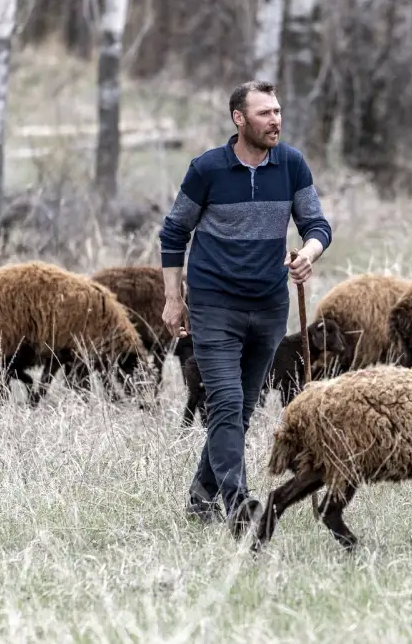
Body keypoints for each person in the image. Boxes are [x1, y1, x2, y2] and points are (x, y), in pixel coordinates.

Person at [158, 79, 333, 537]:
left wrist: (308, 254)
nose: (275, 120)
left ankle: (201, 496)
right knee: (226, 400)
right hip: (214, 304)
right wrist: (173, 300)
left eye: (277, 111)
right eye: (265, 113)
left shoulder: (292, 165)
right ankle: (238, 503)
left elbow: (317, 225)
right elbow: (174, 233)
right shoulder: (207, 170)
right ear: (239, 119)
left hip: (270, 306)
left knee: (242, 408)